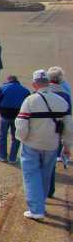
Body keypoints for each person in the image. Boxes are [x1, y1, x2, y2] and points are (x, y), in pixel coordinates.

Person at [16, 70, 73, 220]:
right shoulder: (62, 101)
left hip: (32, 142)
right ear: (48, 82)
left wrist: (22, 138)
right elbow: (69, 126)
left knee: (31, 174)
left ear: (35, 84)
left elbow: (21, 124)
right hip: (52, 144)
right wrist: (67, 146)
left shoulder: (30, 100)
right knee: (45, 174)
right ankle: (41, 204)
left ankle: (36, 209)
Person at [47, 66, 72, 198]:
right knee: (50, 163)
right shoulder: (65, 94)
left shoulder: (39, 93)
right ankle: (49, 190)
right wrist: (67, 144)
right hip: (56, 132)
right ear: (60, 78)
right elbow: (68, 120)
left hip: (38, 134)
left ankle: (38, 192)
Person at [0, 75, 30, 163]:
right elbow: (28, 105)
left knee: (3, 135)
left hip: (5, 115)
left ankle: (2, 156)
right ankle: (12, 158)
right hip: (18, 116)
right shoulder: (25, 90)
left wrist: (0, 110)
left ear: (8, 80)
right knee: (16, 137)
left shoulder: (2, 88)